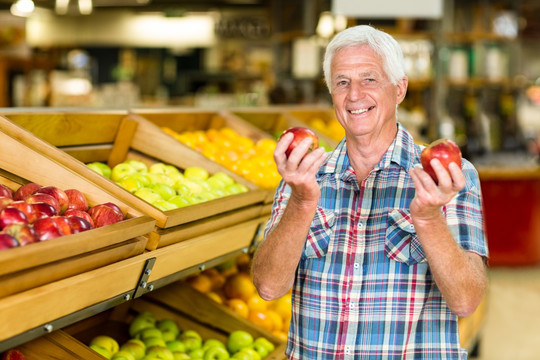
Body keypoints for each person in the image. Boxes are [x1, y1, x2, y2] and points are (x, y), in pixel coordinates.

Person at [251, 25, 488, 360]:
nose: (354, 95)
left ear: (399, 89)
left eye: (369, 79)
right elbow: (268, 287)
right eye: (342, 82)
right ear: (331, 92)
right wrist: (302, 201)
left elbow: (466, 300)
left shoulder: (449, 176)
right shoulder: (304, 172)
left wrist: (428, 218)